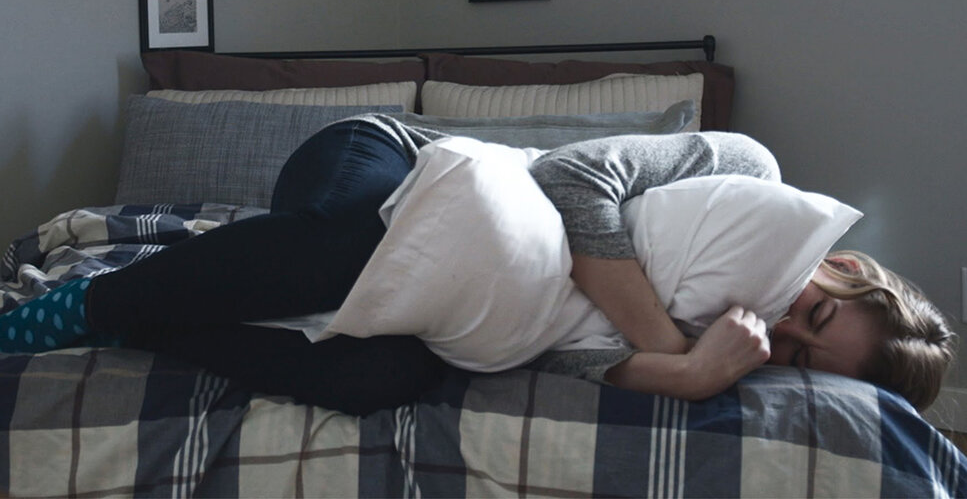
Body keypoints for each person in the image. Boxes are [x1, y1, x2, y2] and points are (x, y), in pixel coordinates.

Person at [0, 115, 955, 415]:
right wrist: (666, 343)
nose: (779, 332)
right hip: (385, 165)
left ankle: (149, 320)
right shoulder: (745, 176)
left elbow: (552, 347)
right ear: (838, 264)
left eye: (799, 359)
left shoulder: (728, 347)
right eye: (814, 314)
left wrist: (689, 374)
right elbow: (570, 179)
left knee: (383, 378)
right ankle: (80, 310)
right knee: (347, 249)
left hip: (446, 292)